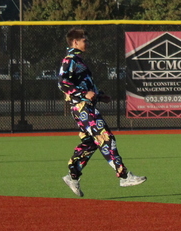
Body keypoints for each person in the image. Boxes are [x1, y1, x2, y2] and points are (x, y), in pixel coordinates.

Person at [58, 27, 145, 196]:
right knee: (106, 137)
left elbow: (85, 84)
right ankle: (124, 176)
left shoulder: (79, 60)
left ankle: (72, 176)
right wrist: (84, 94)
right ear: (75, 42)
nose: (87, 43)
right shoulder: (70, 60)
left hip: (87, 106)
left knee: (90, 144)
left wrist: (100, 95)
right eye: (84, 40)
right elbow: (62, 84)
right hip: (82, 107)